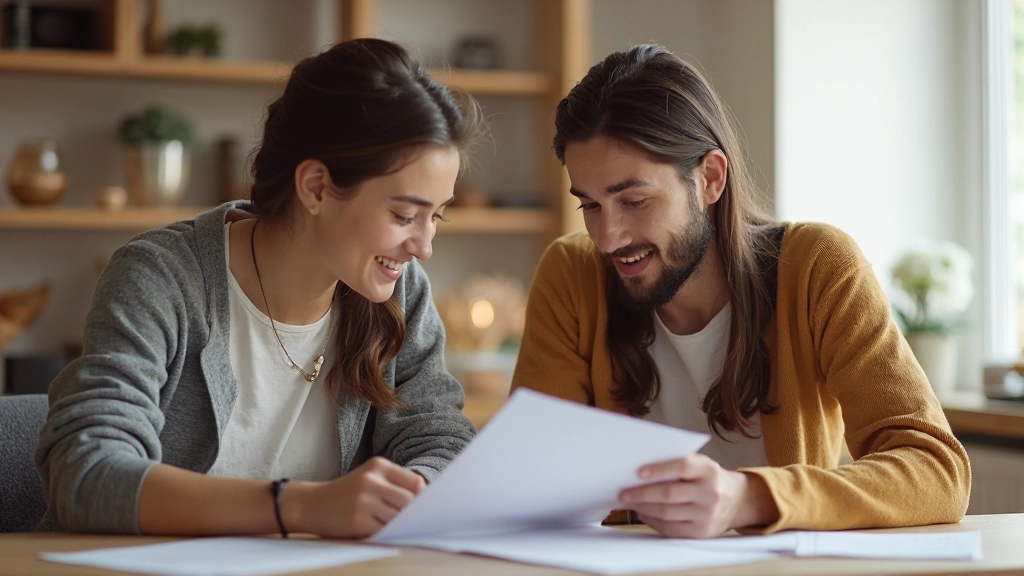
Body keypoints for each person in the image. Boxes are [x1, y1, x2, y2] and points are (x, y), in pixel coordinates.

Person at [510, 44, 970, 538]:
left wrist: (746, 498)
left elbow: (937, 470)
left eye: (635, 200)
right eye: (591, 205)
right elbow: (525, 478)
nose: (608, 237)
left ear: (710, 178)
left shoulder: (818, 268)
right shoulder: (572, 275)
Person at [35, 38, 483, 539]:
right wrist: (301, 507)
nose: (423, 246)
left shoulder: (397, 291)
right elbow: (86, 472)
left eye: (436, 216)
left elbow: (440, 438)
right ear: (315, 187)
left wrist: (412, 494)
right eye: (404, 215)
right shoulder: (161, 277)